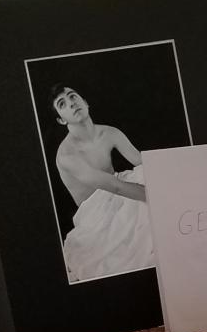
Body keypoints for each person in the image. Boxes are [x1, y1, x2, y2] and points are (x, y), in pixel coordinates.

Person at [47, 85, 154, 282]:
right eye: (63, 104)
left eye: (73, 97)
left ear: (85, 102)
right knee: (148, 216)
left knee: (146, 173)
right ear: (62, 120)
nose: (71, 103)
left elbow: (142, 162)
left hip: (119, 185)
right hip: (95, 210)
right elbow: (113, 186)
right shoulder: (67, 155)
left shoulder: (109, 132)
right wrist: (157, 198)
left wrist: (165, 183)